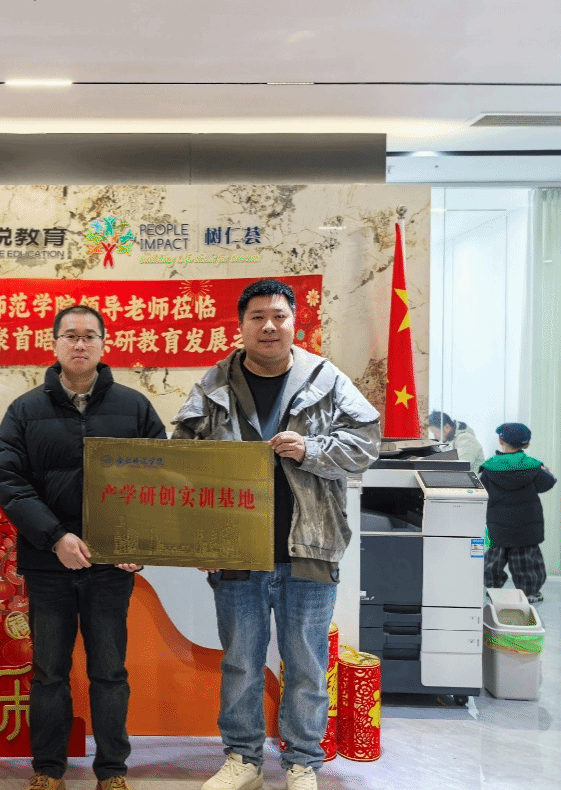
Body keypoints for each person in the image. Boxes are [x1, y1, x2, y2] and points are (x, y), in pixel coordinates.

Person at [171, 279, 381, 790]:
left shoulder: (327, 380)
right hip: (237, 551)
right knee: (240, 663)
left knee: (307, 664)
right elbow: (182, 459)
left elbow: (366, 443)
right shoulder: (214, 385)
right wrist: (200, 538)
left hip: (310, 548)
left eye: (279, 316)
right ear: (241, 325)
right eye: (257, 316)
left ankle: (302, 763)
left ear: (294, 323)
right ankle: (242, 759)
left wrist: (312, 450)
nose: (269, 326)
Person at [0, 304, 167, 790]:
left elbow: (163, 479)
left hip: (111, 566)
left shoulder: (135, 407)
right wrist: (55, 537)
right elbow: (9, 482)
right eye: (70, 335)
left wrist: (139, 541)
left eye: (90, 335)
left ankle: (112, 770)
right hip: (48, 564)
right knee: (49, 671)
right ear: (54, 344)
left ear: (104, 344)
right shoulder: (25, 410)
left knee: (109, 670)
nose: (80, 343)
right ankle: (48, 769)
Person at [478, 422, 556, 604]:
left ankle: (491, 588)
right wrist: (549, 474)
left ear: (501, 441)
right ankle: (530, 592)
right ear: (526, 444)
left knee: (493, 560)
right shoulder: (533, 466)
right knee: (528, 562)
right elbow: (546, 484)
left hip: (497, 525)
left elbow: (482, 491)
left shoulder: (489, 468)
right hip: (527, 527)